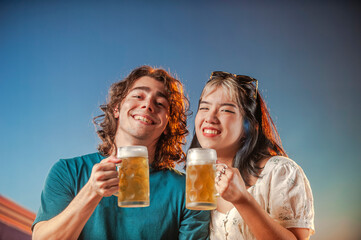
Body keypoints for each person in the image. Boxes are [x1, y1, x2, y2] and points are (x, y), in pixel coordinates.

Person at [32, 66, 210, 240]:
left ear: (167, 124)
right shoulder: (68, 171)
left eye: (160, 103)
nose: (148, 105)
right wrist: (91, 192)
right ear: (117, 108)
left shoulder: (188, 190)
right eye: (138, 96)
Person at [190, 71, 314, 240]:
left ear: (250, 127)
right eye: (204, 107)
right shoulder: (199, 181)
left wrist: (243, 200)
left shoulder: (280, 171)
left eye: (226, 110)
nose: (210, 117)